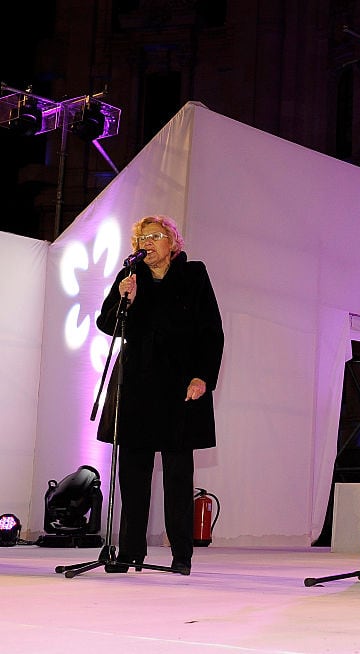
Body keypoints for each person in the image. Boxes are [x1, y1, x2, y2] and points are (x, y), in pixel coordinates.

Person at [97, 215, 224, 575]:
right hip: (135, 384)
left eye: (155, 236)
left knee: (177, 475)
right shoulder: (129, 278)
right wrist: (126, 299)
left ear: (172, 241)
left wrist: (202, 376)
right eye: (141, 237)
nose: (147, 242)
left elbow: (211, 331)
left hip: (179, 387)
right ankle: (129, 551)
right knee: (133, 475)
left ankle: (181, 553)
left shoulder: (194, 274)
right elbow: (107, 324)